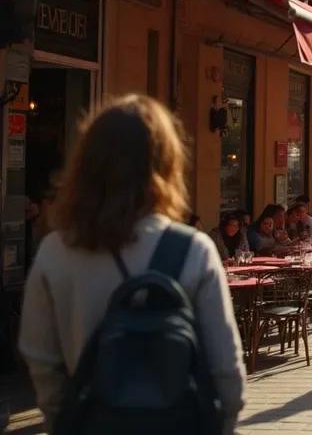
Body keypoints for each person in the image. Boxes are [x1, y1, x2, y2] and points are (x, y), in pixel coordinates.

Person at [19, 95, 245, 433]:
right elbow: (226, 371)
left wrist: (63, 420)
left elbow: (41, 359)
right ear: (167, 164)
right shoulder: (194, 250)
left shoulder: (56, 250)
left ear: (86, 163)